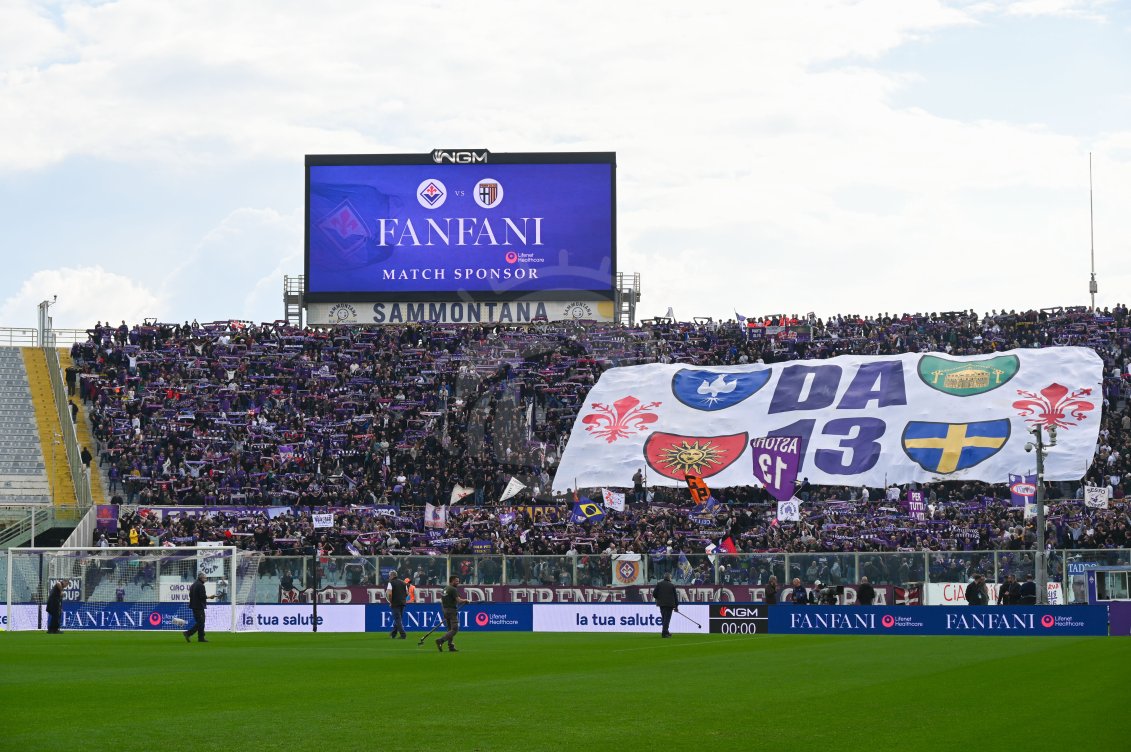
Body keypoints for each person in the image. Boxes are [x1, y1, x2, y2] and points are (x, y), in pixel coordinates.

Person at [436, 575, 468, 653]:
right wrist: (466, 600)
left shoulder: (445, 589)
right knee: (454, 629)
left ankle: (451, 646)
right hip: (451, 611)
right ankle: (441, 640)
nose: (458, 582)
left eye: (458, 581)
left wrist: (444, 610)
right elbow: (458, 600)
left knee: (450, 630)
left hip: (445, 610)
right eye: (456, 581)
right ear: (452, 581)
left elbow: (442, 601)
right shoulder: (453, 589)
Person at [183, 572, 216, 643]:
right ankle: (188, 633)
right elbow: (202, 596)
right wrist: (210, 597)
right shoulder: (201, 586)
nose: (206, 579)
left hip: (194, 606)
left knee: (201, 622)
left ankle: (201, 638)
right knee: (201, 622)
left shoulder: (193, 585)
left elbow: (190, 595)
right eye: (205, 578)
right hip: (199, 606)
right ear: (201, 578)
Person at [652, 572, 678, 638]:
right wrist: (676, 607)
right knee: (667, 619)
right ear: (669, 578)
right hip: (669, 605)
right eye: (671, 577)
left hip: (661, 604)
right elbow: (675, 597)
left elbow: (654, 594)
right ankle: (664, 633)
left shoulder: (659, 584)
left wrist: (659, 598)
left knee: (664, 618)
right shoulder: (672, 585)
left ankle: (666, 631)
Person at [386, 569, 408, 639]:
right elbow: (407, 593)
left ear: (392, 576)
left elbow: (389, 594)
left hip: (395, 603)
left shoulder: (391, 583)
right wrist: (402, 598)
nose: (389, 577)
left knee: (397, 619)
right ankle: (393, 633)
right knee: (398, 618)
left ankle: (403, 634)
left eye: (389, 576)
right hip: (402, 603)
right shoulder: (403, 583)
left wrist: (391, 601)